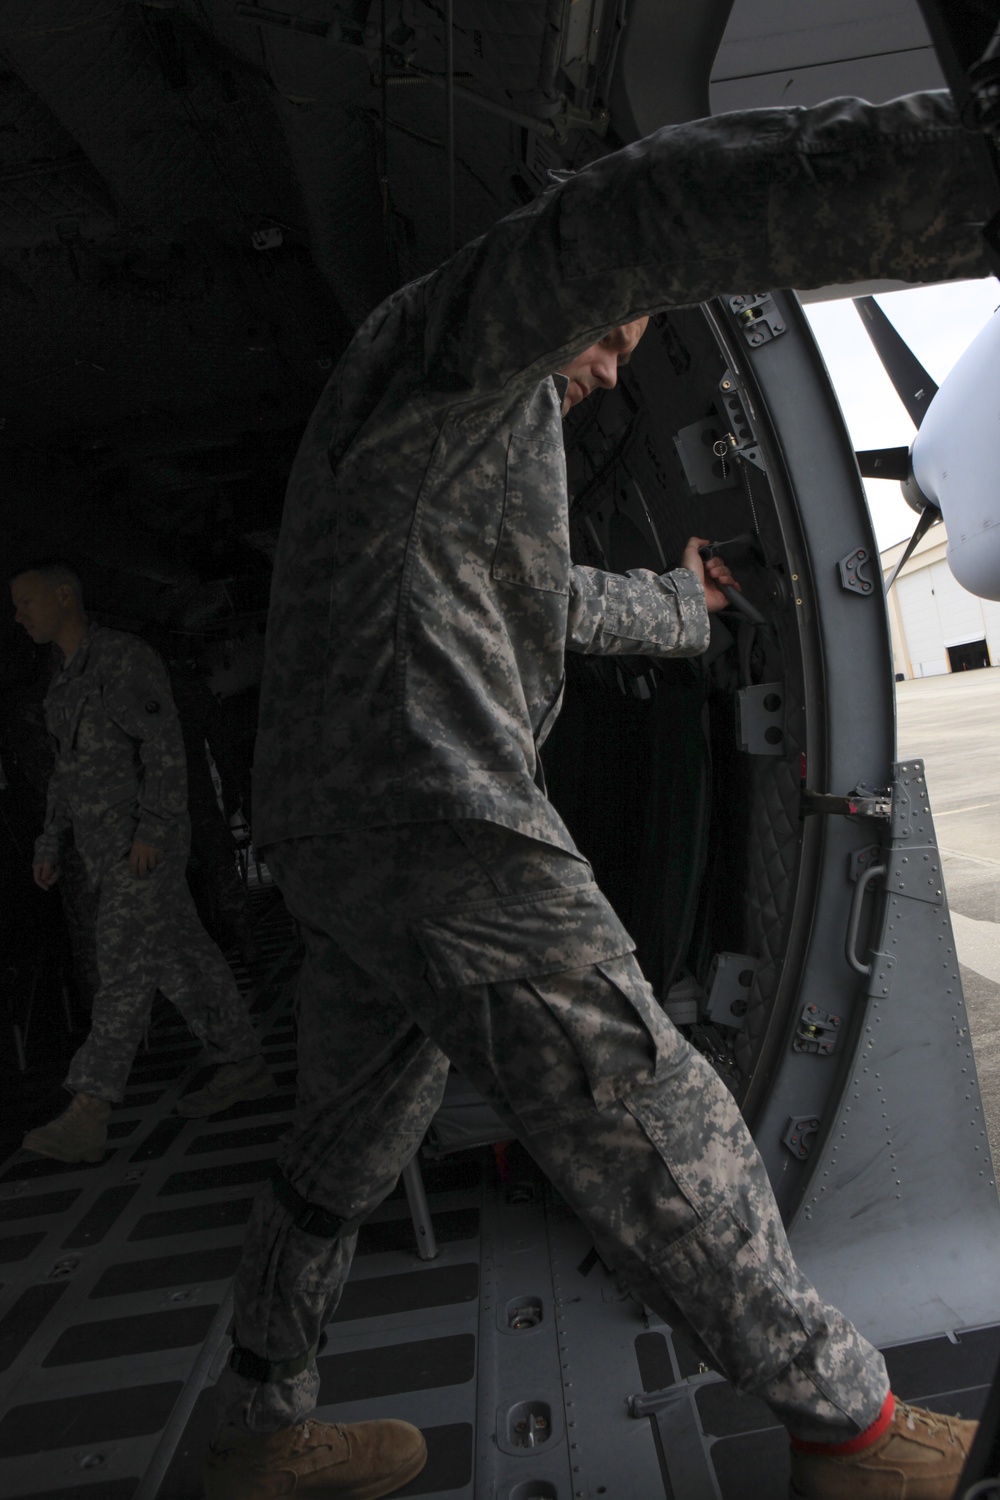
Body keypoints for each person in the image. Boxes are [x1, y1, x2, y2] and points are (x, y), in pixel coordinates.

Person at [205, 94, 991, 1500]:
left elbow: (533, 596)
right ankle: (850, 1428)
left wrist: (677, 606)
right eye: (618, 332)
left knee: (342, 1148)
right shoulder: (465, 330)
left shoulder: (443, 420)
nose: (620, 373)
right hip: (434, 815)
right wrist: (956, 163)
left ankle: (266, 1429)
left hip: (338, 828)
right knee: (636, 1095)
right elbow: (635, 212)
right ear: (562, 287)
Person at [10, 564, 275, 1162]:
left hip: (141, 846)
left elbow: (163, 747)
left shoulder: (122, 659)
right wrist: (50, 842)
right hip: (103, 849)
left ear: (63, 596)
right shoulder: (62, 682)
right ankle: (244, 1061)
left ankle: (89, 1107)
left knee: (122, 966)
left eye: (25, 602)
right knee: (184, 958)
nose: (18, 615)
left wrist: (154, 830)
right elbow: (63, 773)